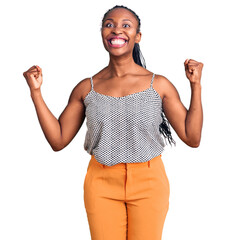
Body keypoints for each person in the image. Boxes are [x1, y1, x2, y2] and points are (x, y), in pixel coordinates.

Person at [23, 5, 203, 240]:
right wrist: (36, 92)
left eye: (126, 25)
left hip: (149, 182)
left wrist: (195, 85)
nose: (116, 30)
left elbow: (192, 137)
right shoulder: (86, 88)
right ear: (102, 34)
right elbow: (58, 140)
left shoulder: (158, 85)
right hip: (101, 183)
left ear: (137, 36)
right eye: (109, 24)